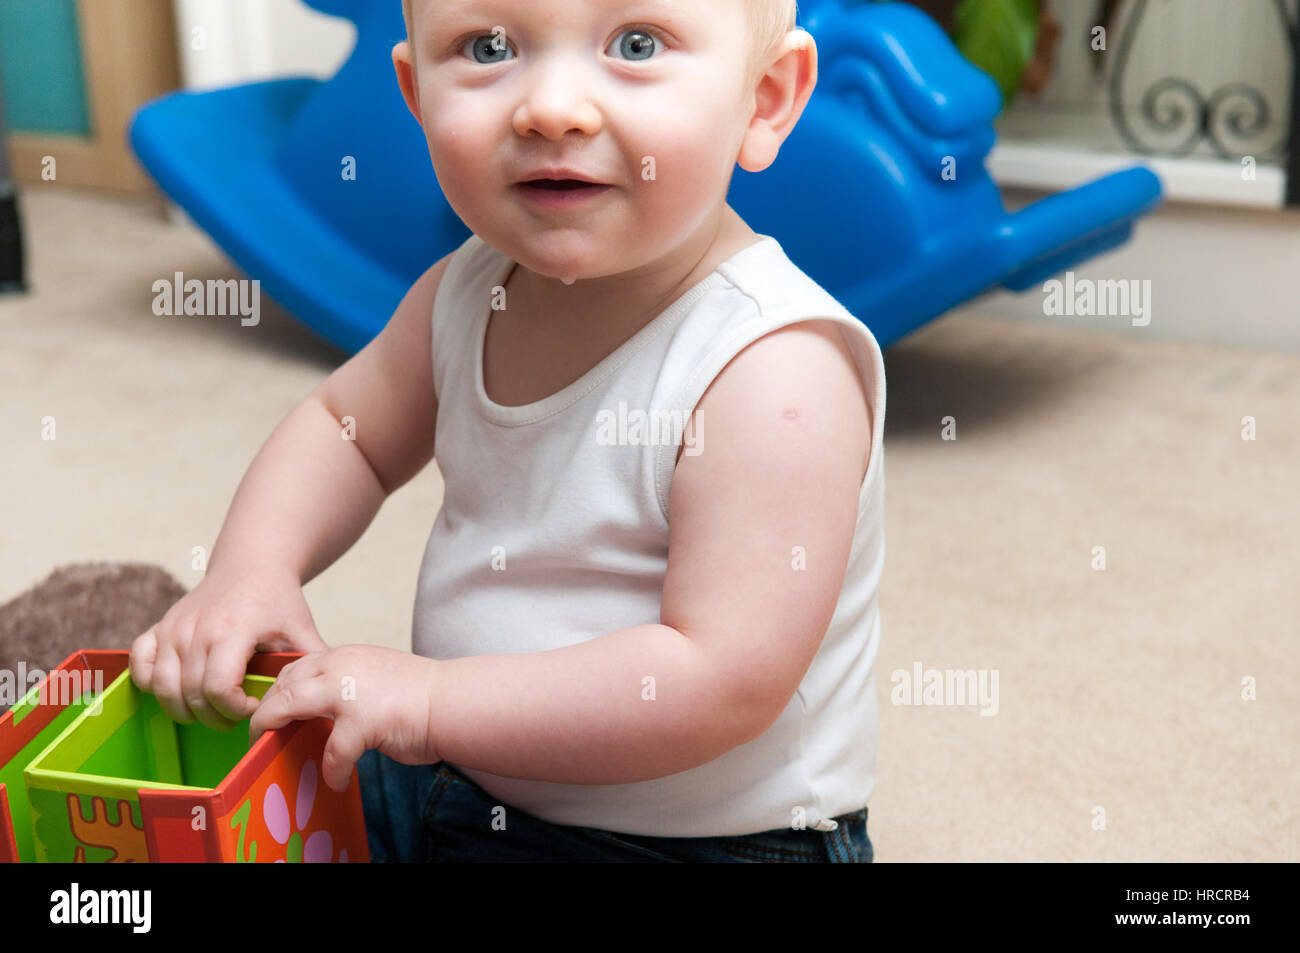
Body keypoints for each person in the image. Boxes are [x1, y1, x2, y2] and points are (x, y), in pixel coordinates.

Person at [131, 0, 886, 863]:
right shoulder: (463, 291)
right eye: (488, 47)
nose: (551, 108)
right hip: (452, 775)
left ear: (765, 99)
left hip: (697, 842)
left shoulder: (773, 369)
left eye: (636, 45)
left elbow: (720, 681)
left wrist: (428, 700)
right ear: (417, 96)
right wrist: (250, 567)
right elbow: (346, 429)